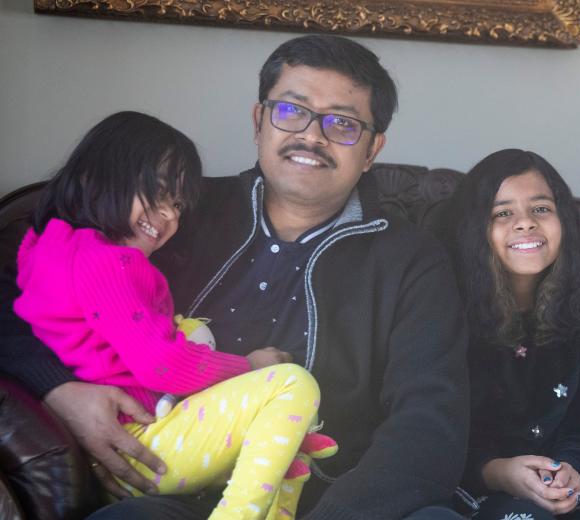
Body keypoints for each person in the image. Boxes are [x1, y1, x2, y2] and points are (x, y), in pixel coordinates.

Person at [0, 34, 469, 519]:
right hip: (177, 495)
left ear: (372, 150)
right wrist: (58, 389)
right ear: (258, 121)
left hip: (335, 495)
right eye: (292, 110)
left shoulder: (412, 258)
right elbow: (28, 291)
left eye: (343, 124)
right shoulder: (172, 212)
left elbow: (430, 420)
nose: (312, 136)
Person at [13, 110, 337, 519]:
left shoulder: (42, 247)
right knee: (293, 385)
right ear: (97, 177)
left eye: (178, 203)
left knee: (289, 451)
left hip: (130, 449)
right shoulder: (110, 263)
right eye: (158, 192)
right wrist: (249, 366)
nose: (169, 216)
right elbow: (161, 364)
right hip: (150, 442)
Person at [441, 149, 580, 519]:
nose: (525, 223)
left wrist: (574, 469)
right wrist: (498, 473)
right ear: (475, 230)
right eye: (503, 213)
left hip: (565, 483)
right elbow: (434, 427)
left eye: (541, 209)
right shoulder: (444, 311)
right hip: (468, 484)